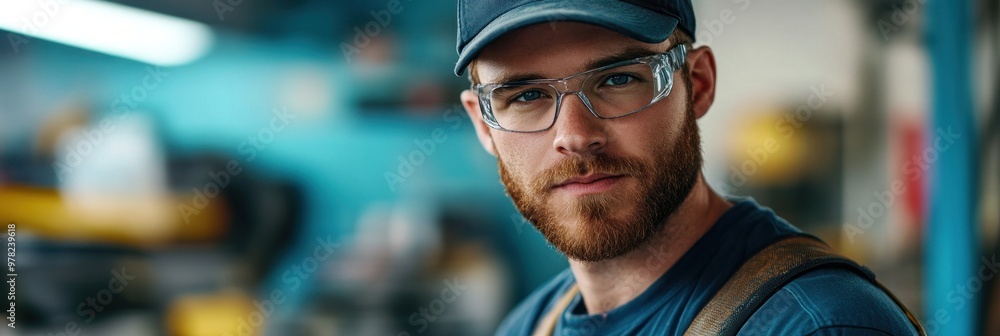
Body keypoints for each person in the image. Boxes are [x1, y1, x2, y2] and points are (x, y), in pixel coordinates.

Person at [453, 1, 923, 335]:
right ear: (484, 125)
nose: (575, 135)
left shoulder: (818, 326)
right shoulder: (528, 325)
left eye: (618, 79)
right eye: (526, 95)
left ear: (696, 85)